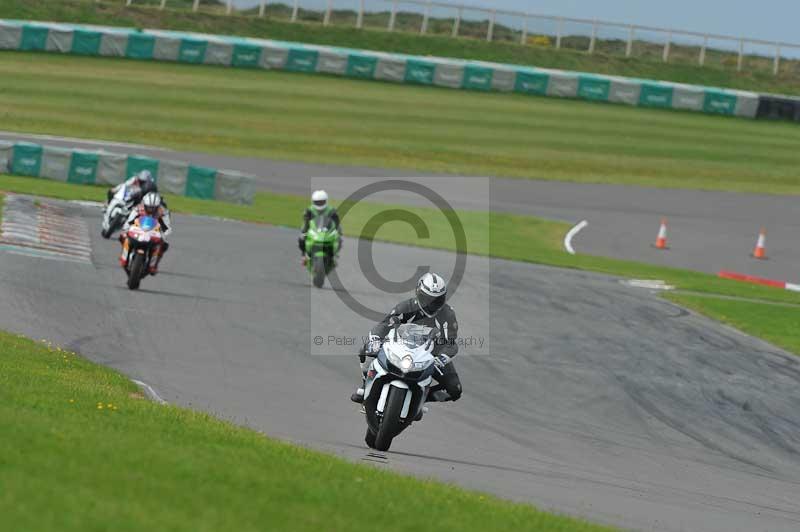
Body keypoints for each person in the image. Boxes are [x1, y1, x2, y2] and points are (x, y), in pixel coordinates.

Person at [351, 272, 462, 404]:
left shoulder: (448, 314)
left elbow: (451, 343)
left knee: (455, 389)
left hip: (432, 356)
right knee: (366, 349)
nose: (432, 304)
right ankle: (366, 386)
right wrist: (375, 339)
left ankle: (420, 400)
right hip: (402, 349)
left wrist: (440, 359)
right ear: (418, 293)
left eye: (437, 300)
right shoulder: (406, 307)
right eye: (428, 299)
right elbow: (385, 324)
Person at [119, 192, 172, 275]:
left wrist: (164, 234)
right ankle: (124, 258)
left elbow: (167, 228)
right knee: (123, 236)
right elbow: (129, 221)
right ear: (144, 204)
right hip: (138, 230)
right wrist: (126, 229)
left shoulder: (163, 212)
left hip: (154, 232)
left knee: (164, 244)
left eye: (153, 208)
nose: (151, 210)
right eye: (149, 207)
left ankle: (153, 265)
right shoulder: (138, 208)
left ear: (158, 206)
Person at [298, 190, 342, 265]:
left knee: (339, 239)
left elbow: (337, 222)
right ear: (313, 201)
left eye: (321, 201)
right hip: (314, 230)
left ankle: (334, 255)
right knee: (301, 238)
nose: (319, 203)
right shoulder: (309, 210)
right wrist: (304, 231)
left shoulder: (331, 210)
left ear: (326, 201)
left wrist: (338, 231)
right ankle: (304, 255)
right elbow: (306, 223)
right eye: (317, 202)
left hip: (327, 230)